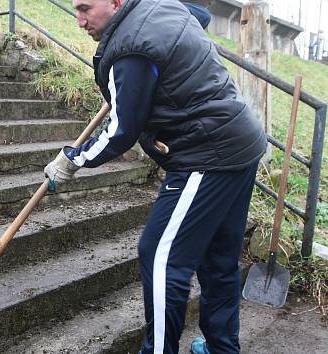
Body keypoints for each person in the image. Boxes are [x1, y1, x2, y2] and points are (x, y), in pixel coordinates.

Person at [43, 1, 267, 353]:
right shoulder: (159, 6)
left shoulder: (130, 50)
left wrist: (72, 160)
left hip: (206, 154)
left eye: (86, 8)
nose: (79, 20)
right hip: (242, 141)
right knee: (219, 259)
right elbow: (202, 16)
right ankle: (222, 348)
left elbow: (120, 132)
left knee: (160, 257)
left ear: (116, 3)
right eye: (75, 9)